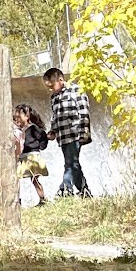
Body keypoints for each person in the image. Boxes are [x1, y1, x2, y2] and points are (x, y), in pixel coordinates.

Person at [44, 67, 94, 196]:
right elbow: (55, 116)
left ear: (60, 79)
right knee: (73, 164)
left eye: (51, 86)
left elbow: (84, 112)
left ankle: (65, 189)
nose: (50, 89)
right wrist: (53, 130)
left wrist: (84, 132)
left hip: (75, 134)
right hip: (63, 137)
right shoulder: (54, 97)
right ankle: (84, 190)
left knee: (70, 163)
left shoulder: (76, 90)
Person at [13, 103, 52, 205]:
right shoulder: (19, 130)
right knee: (15, 178)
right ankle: (17, 199)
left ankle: (42, 199)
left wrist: (40, 146)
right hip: (23, 157)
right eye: (15, 117)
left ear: (27, 116)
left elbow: (43, 137)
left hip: (32, 157)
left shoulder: (33, 128)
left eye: (18, 117)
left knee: (34, 179)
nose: (16, 120)